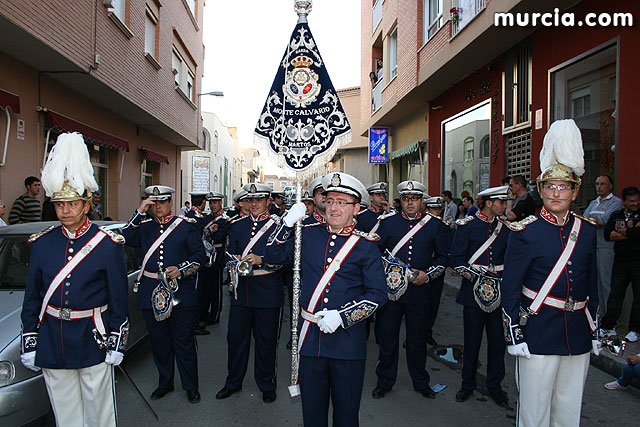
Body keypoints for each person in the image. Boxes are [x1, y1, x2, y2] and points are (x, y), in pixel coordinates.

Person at [20, 132, 128, 426]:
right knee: (65, 413)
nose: (65, 211)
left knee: (99, 414)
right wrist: (30, 340)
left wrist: (117, 340)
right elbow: (33, 297)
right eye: (59, 204)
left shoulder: (107, 244)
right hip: (54, 338)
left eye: (71, 204)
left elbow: (118, 300)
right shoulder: (42, 243)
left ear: (86, 204)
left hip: (93, 337)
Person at [264, 172, 387, 427]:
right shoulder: (306, 234)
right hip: (311, 344)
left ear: (357, 209)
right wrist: (285, 226)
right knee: (313, 416)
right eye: (330, 200)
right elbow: (272, 258)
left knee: (346, 416)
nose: (334, 207)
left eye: (343, 202)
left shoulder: (365, 246)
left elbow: (377, 294)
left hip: (348, 345)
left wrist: (342, 317)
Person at [501, 119, 598, 427]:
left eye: (564, 187)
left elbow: (590, 282)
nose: (557, 193)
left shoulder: (586, 231)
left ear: (574, 191)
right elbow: (511, 286)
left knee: (569, 410)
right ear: (541, 191)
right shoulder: (524, 232)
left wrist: (594, 328)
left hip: (577, 332)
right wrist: (514, 331)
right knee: (534, 411)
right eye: (550, 187)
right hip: (538, 331)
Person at [122, 185, 205, 403]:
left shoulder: (186, 227)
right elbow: (126, 237)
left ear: (170, 203)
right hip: (151, 291)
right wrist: (140, 211)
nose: (158, 207)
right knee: (159, 343)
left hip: (180, 292)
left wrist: (182, 269)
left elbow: (199, 256)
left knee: (184, 341)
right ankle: (165, 383)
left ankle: (191, 385)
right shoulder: (144, 226)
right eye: (154, 203)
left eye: (162, 202)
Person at [373, 180, 450, 400]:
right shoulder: (387, 223)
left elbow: (444, 257)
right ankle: (384, 380)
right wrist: (388, 272)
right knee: (388, 338)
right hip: (392, 292)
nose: (410, 203)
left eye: (414, 199)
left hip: (419, 291)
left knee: (417, 340)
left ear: (422, 201)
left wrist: (429, 275)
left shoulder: (435, 225)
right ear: (401, 201)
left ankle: (420, 381)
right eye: (406, 199)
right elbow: (375, 252)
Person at [216, 183, 284, 403]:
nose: (254, 204)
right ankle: (233, 382)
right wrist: (233, 261)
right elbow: (227, 253)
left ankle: (267, 384)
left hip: (268, 292)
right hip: (241, 292)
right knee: (236, 340)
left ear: (268, 201)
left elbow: (288, 256)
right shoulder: (237, 225)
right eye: (250, 200)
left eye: (259, 199)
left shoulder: (278, 226)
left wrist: (262, 259)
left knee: (266, 342)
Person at [450, 185, 510, 406]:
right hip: (473, 294)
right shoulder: (467, 226)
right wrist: (478, 277)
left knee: (497, 343)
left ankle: (495, 386)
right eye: (501, 202)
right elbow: (456, 260)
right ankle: (468, 384)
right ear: (488, 202)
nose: (505, 206)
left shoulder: (506, 228)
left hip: (499, 294)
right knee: (472, 342)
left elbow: (511, 261)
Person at [599, 186, 640, 343]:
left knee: (638, 298)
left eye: (637, 200)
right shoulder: (616, 215)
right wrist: (631, 232)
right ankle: (608, 326)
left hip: (638, 261)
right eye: (631, 201)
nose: (635, 203)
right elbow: (608, 234)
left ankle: (635, 330)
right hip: (621, 261)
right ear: (624, 202)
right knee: (615, 294)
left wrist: (623, 231)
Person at [583, 175, 624, 314]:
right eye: (597, 184)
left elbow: (603, 220)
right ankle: (598, 315)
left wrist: (591, 220)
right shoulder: (593, 203)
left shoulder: (616, 202)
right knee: (595, 282)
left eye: (603, 184)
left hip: (606, 247)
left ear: (610, 186)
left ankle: (609, 317)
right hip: (592, 246)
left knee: (606, 282)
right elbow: (584, 220)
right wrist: (591, 220)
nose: (599, 187)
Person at [199, 191, 229, 328]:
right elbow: (200, 234)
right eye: (210, 203)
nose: (212, 205)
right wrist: (209, 232)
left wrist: (210, 233)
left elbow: (220, 237)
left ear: (220, 203)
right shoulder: (206, 219)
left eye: (215, 202)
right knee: (203, 289)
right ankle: (203, 314)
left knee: (215, 289)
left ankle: (215, 315)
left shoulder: (225, 220)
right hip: (204, 257)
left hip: (216, 257)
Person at [424, 195, 450, 346]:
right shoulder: (420, 225)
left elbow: (445, 251)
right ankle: (414, 336)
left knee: (433, 305)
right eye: (434, 209)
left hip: (436, 271)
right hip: (421, 269)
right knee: (419, 308)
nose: (437, 212)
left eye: (439, 209)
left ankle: (428, 331)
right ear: (428, 209)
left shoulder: (443, 226)